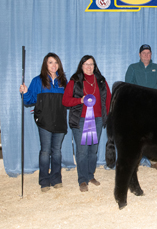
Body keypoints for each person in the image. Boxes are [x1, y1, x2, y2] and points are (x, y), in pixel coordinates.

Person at [19, 52, 67, 192]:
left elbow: (69, 100)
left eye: (56, 62)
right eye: (50, 62)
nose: (54, 65)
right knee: (45, 151)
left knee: (57, 151)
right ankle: (44, 181)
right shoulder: (37, 80)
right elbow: (29, 101)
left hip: (59, 120)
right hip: (44, 121)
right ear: (45, 64)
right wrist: (25, 92)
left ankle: (56, 179)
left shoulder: (64, 81)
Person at [62, 55, 111, 192]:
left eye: (92, 64)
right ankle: (82, 180)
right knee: (82, 151)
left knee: (93, 151)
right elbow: (65, 101)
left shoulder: (101, 80)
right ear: (81, 66)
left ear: (95, 66)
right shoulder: (75, 80)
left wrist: (108, 116)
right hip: (81, 120)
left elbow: (108, 99)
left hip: (98, 119)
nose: (89, 67)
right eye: (86, 64)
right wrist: (80, 100)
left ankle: (90, 175)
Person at [125, 44, 157, 170]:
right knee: (136, 134)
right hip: (138, 105)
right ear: (139, 55)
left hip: (154, 105)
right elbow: (129, 84)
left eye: (148, 53)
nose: (146, 55)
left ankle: (155, 160)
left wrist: (151, 94)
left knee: (154, 133)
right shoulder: (132, 68)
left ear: (151, 54)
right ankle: (134, 161)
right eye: (144, 53)